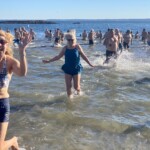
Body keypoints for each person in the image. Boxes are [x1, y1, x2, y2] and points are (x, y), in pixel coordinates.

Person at [0, 30, 32, 150]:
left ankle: (13, 141)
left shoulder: (10, 62)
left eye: (2, 42)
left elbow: (23, 73)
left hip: (2, 105)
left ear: (6, 44)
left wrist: (22, 51)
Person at [42, 32, 94, 99]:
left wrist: (90, 63)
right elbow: (58, 57)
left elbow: (84, 56)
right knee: (68, 88)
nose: (70, 41)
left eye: (72, 39)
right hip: (68, 69)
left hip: (76, 69)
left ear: (74, 39)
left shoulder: (77, 47)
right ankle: (70, 101)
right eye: (68, 40)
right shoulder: (65, 48)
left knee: (76, 87)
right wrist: (49, 61)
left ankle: (79, 94)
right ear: (66, 40)